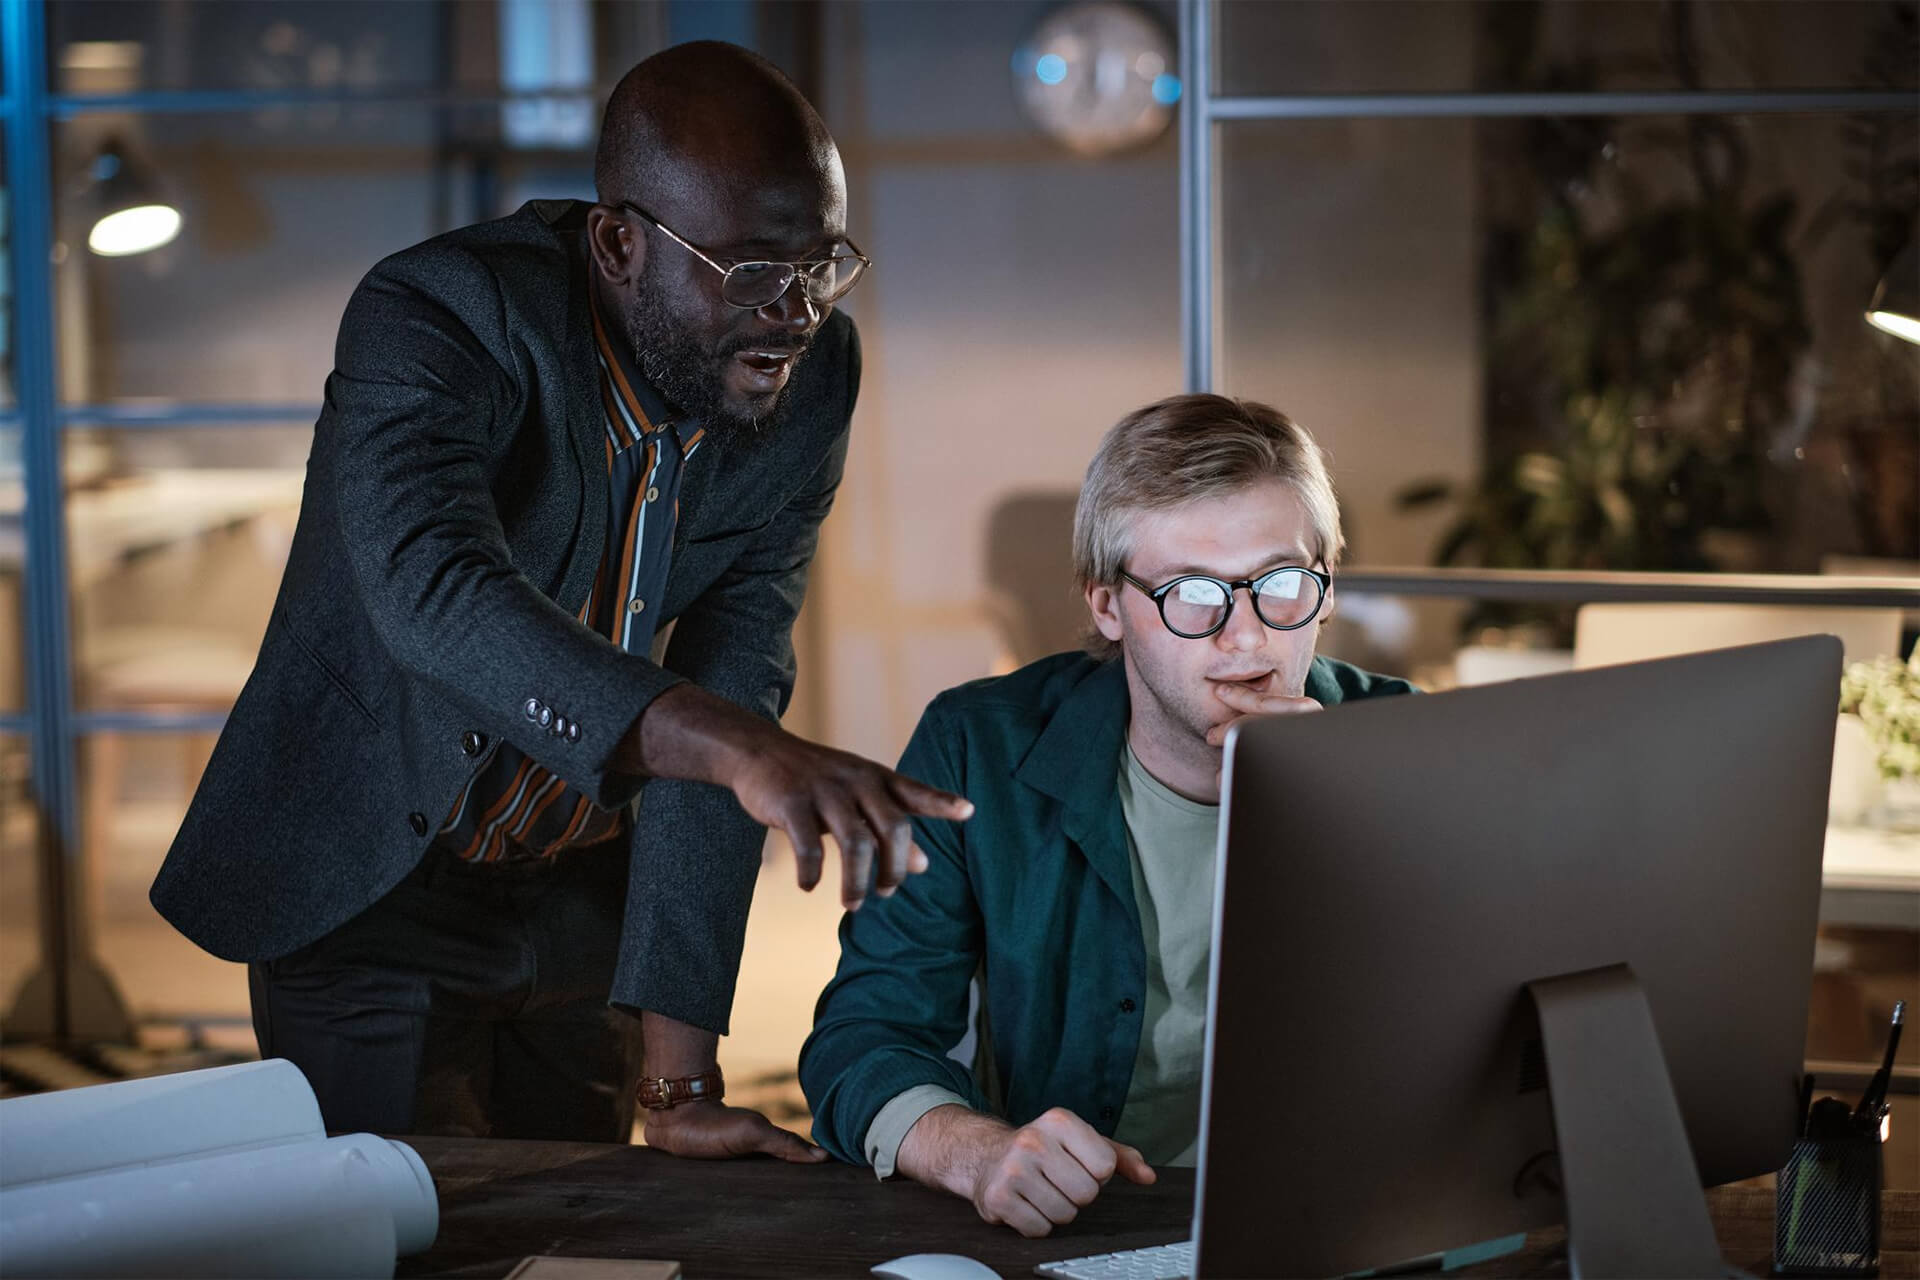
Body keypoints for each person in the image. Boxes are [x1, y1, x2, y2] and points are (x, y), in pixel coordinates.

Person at [151, 41, 971, 1158]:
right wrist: (737, 748)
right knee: (404, 1230)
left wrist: (679, 1083)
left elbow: (736, 668)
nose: (795, 311)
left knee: (588, 1232)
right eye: (750, 272)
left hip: (587, 889)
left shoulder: (814, 376)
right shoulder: (437, 315)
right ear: (621, 243)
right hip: (381, 880)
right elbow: (436, 591)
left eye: (823, 264)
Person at [800, 394, 1416, 1234]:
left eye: (1279, 584)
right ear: (1105, 605)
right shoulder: (977, 745)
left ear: (1327, 587)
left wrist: (1340, 816)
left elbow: (1494, 1048)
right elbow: (860, 1038)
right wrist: (976, 1152)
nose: (1246, 637)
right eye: (1194, 593)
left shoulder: (1407, 747)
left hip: (1341, 1219)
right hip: (1085, 1226)